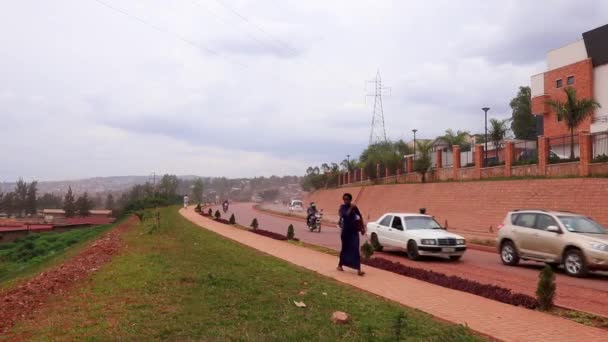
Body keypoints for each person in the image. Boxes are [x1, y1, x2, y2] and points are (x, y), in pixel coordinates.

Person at [337, 193, 365, 276]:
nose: (346, 201)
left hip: (354, 232)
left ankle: (358, 270)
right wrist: (350, 208)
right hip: (346, 232)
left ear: (350, 200)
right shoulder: (342, 208)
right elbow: (345, 216)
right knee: (345, 249)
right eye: (344, 199)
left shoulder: (354, 207)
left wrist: (362, 228)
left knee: (356, 248)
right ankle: (340, 265)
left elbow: (359, 216)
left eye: (347, 199)